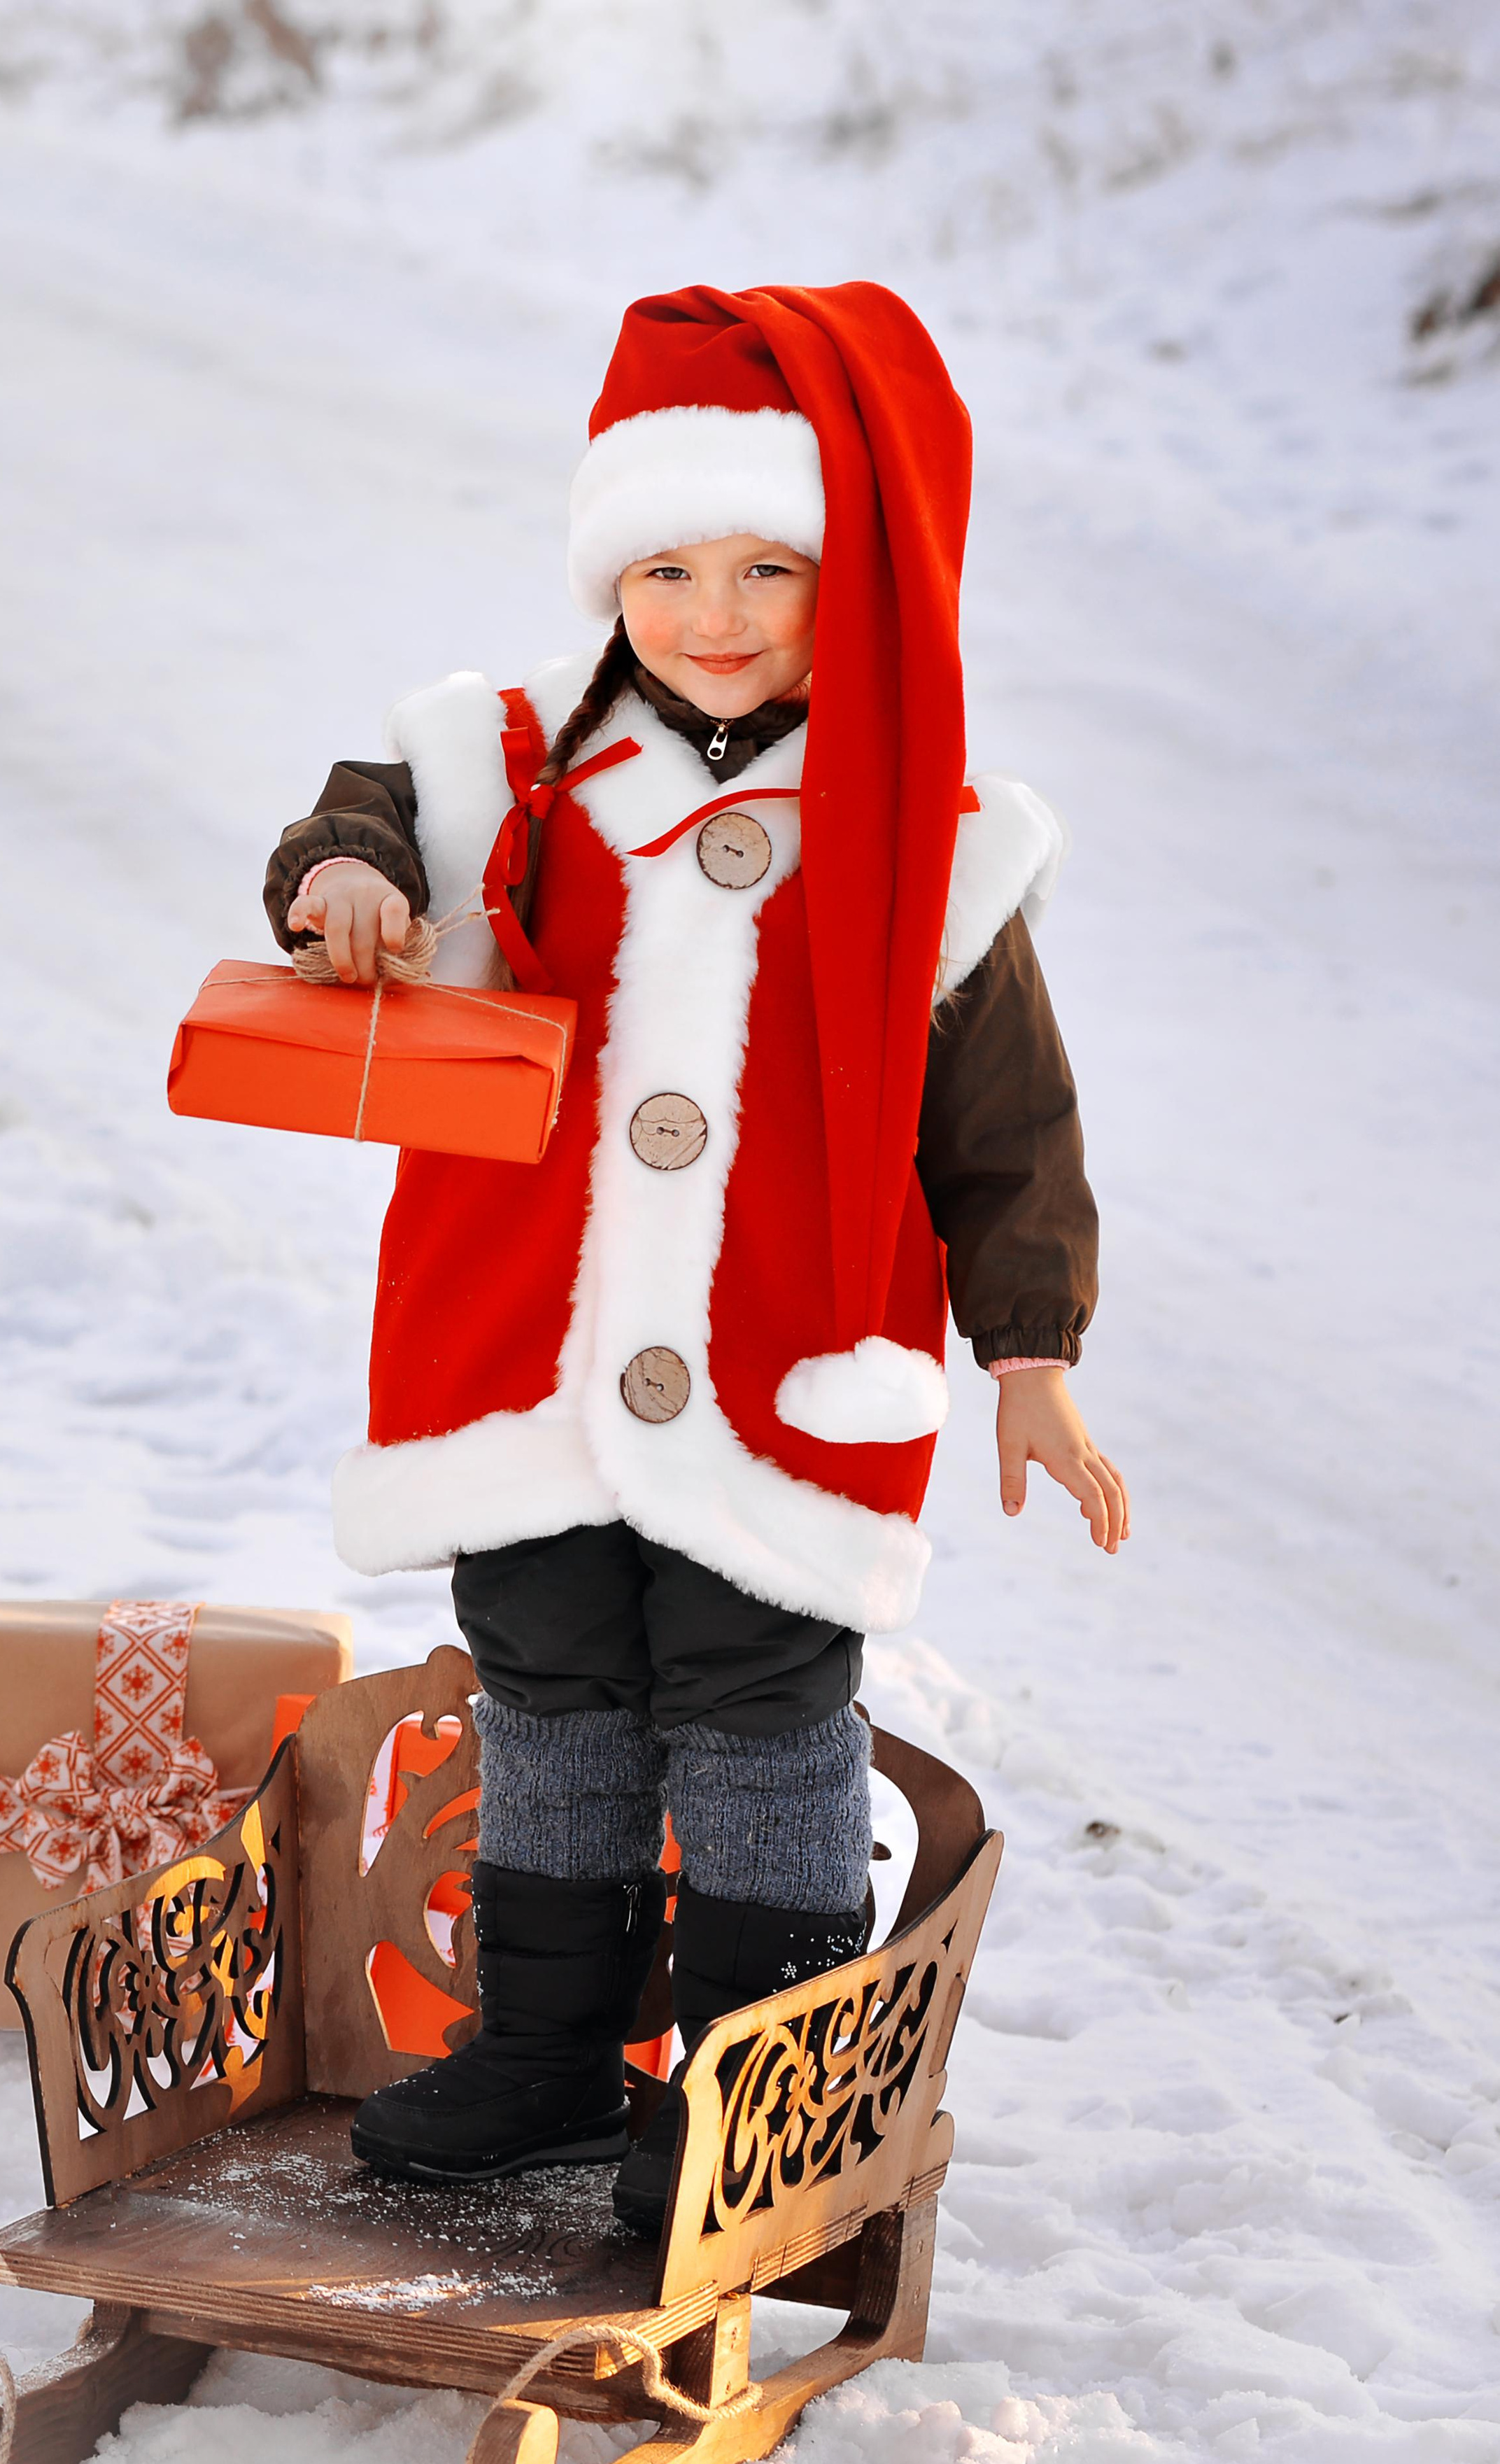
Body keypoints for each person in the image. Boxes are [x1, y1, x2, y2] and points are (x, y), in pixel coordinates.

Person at [260, 283, 1128, 2230]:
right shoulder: (505, 766)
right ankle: (552, 2059)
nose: (715, 615)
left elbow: (1007, 1130)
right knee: (549, 1685)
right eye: (667, 565)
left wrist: (1034, 1356)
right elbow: (363, 812)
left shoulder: (927, 844)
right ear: (610, 567)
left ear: (860, 583)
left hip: (784, 1369)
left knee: (760, 1719)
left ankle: (754, 2110)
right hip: (529, 1359)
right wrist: (347, 877)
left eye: (769, 567)